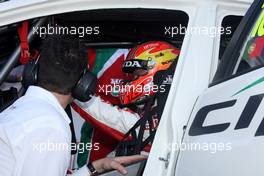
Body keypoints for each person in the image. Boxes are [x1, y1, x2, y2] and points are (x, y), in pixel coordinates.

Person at [0, 35, 146, 176]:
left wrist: (93, 168)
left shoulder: (22, 110)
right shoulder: (49, 127)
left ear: (33, 71)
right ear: (84, 84)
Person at [75, 41, 180, 154]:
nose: (131, 80)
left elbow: (115, 119)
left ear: (161, 66)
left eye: (137, 73)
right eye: (132, 76)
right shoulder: (156, 105)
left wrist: (73, 86)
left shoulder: (171, 109)